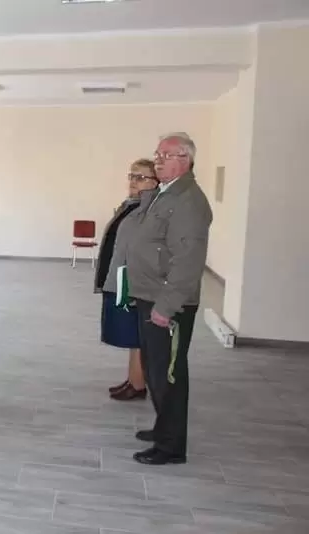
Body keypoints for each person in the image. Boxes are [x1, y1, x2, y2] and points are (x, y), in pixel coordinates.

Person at [125, 132, 212, 465]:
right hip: (151, 294)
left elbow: (187, 261)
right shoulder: (167, 192)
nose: (158, 160)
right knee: (155, 368)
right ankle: (164, 427)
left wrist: (166, 307)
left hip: (167, 302)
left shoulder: (188, 200)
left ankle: (171, 446)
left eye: (166, 155)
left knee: (168, 374)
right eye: (157, 154)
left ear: (185, 160)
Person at [95, 159, 159, 401]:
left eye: (141, 177)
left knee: (136, 334)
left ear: (155, 182)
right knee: (132, 334)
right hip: (121, 278)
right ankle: (133, 379)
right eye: (132, 176)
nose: (133, 181)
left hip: (132, 282)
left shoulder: (150, 210)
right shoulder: (132, 205)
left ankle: (138, 384)